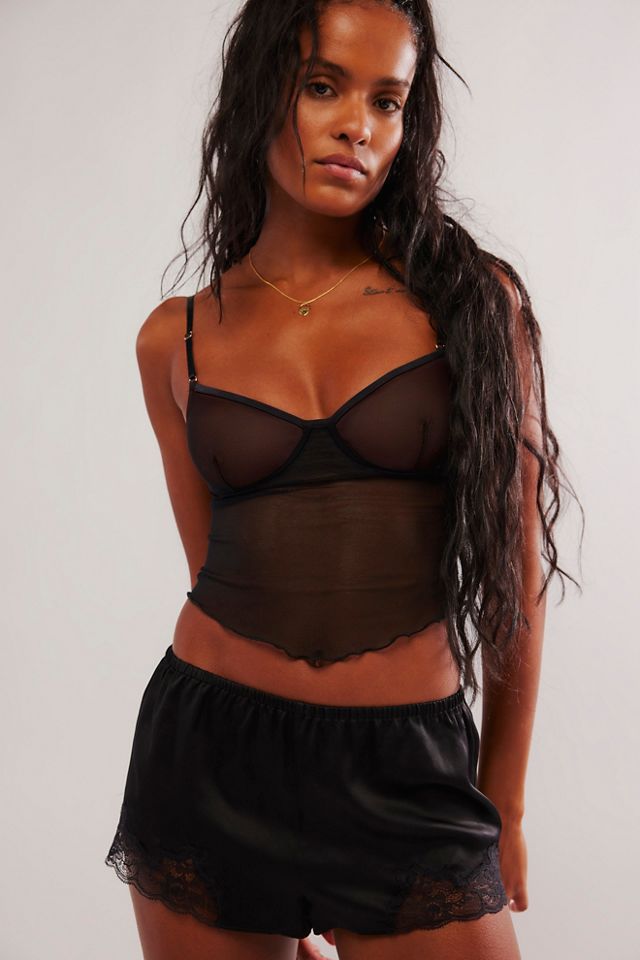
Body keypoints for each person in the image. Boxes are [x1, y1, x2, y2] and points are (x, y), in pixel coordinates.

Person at [104, 1, 583, 958]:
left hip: (410, 772)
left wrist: (505, 800)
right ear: (260, 93)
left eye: (387, 101)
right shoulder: (176, 339)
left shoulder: (472, 304)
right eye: (323, 86)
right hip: (209, 761)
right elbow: (212, 566)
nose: (357, 126)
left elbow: (515, 573)